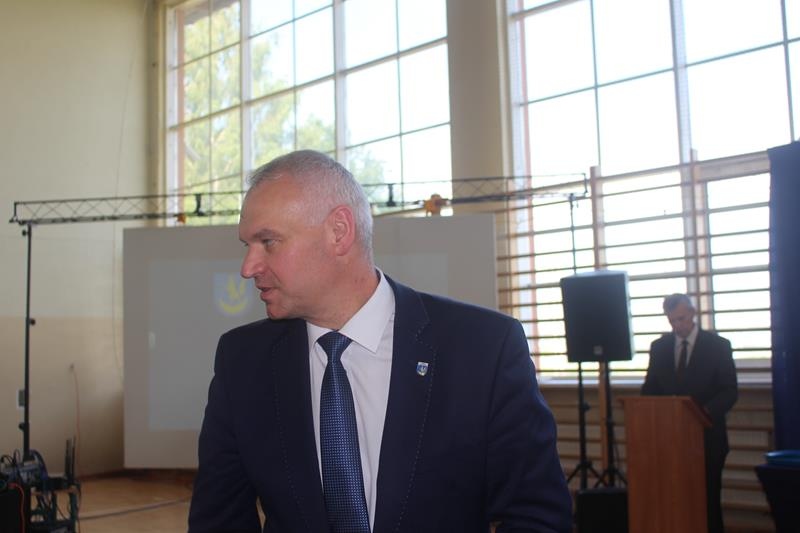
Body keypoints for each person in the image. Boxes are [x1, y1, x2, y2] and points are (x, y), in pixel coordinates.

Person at [188, 150, 573, 533]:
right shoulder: (242, 362)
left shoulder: (483, 349)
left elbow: (538, 517)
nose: (248, 268)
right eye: (248, 246)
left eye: (268, 242)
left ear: (339, 231)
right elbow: (218, 521)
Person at [641, 293, 738, 533]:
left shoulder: (718, 346)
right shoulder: (660, 347)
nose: (677, 325)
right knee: (673, 500)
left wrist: (702, 413)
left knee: (708, 501)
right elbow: (650, 389)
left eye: (681, 319)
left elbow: (729, 391)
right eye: (672, 320)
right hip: (669, 440)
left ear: (693, 314)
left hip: (707, 439)